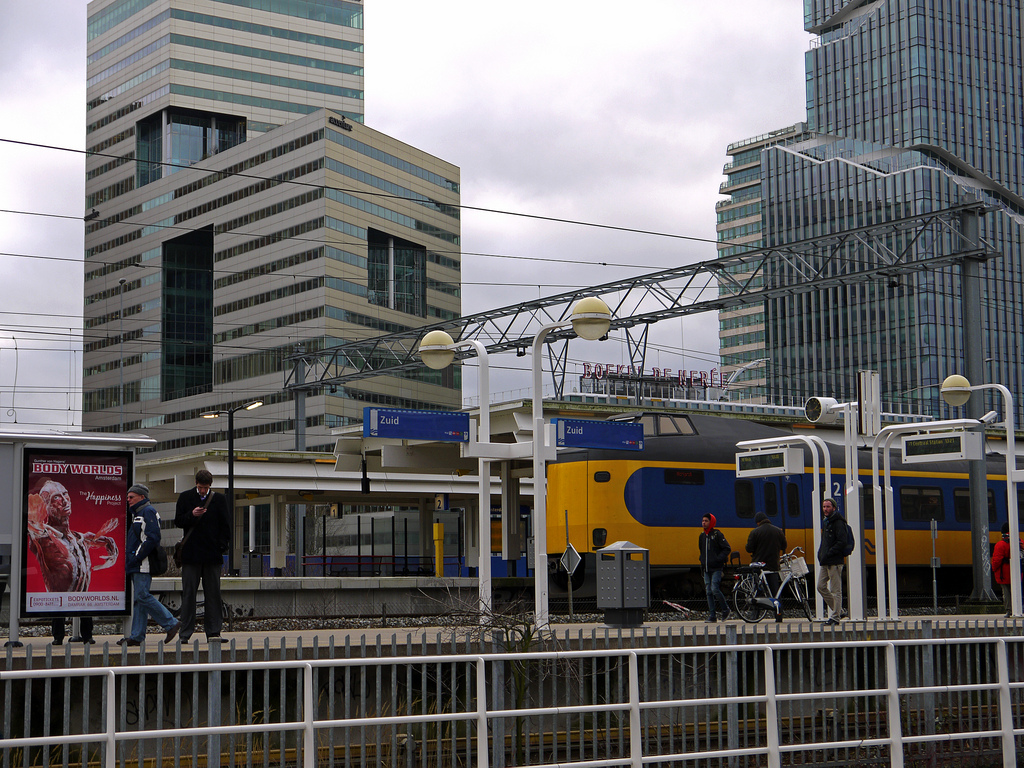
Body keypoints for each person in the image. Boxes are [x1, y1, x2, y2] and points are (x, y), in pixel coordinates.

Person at [27, 477, 117, 646]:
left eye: (65, 494)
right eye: (56, 498)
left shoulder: (78, 537)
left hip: (81, 599)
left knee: (84, 604)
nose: (65, 500)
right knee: (58, 605)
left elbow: (99, 540)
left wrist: (110, 545)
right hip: (58, 598)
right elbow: (35, 531)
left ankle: (86, 634)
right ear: (46, 507)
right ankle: (58, 636)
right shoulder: (44, 536)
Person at [118, 484, 180, 646]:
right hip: (137, 563)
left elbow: (152, 538)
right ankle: (137, 635)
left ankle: (171, 623)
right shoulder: (139, 513)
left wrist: (137, 556)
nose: (128, 500)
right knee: (139, 599)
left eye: (131, 497)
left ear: (142, 497)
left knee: (142, 596)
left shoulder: (148, 512)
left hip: (142, 564)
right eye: (128, 497)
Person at [174, 470, 231, 643]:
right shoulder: (185, 498)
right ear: (196, 483)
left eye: (205, 488)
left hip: (212, 554)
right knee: (189, 594)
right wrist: (192, 515)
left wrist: (221, 546)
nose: (203, 491)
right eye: (200, 488)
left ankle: (214, 632)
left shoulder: (219, 500)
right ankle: (185, 633)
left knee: (213, 594)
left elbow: (225, 525)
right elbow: (178, 521)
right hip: (191, 554)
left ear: (210, 486)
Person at [816, 497, 849, 625]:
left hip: (834, 561)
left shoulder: (838, 522)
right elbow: (825, 541)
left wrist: (829, 553)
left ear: (834, 508)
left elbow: (842, 542)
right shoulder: (826, 522)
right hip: (826, 560)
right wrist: (821, 553)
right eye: (824, 507)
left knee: (836, 590)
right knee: (820, 586)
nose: (825, 509)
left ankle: (835, 617)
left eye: (828, 507)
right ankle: (839, 611)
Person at [746, 511, 788, 605]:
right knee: (775, 592)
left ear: (758, 522)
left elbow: (749, 549)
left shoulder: (755, 532)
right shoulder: (778, 531)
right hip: (773, 565)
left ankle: (755, 615)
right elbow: (784, 546)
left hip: (759, 566)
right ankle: (778, 614)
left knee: (757, 591)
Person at [698, 513, 731, 622]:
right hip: (706, 568)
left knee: (714, 589)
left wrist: (718, 559)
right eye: (703, 521)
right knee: (708, 591)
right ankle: (712, 615)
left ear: (711, 522)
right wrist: (702, 560)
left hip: (716, 567)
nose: (704, 522)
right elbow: (701, 550)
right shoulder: (702, 536)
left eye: (706, 521)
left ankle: (725, 609)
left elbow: (727, 548)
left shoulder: (717, 535)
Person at [991, 521, 1023, 618]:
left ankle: (1009, 610)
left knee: (1007, 593)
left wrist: (994, 569)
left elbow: (996, 560)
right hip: (1018, 572)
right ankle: (1019, 607)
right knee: (1017, 590)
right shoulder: (1020, 542)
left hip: (1004, 573)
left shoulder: (1001, 545)